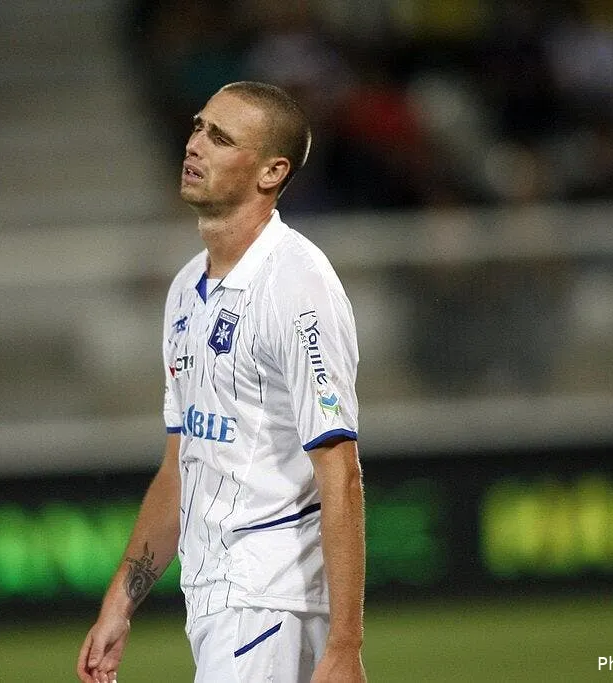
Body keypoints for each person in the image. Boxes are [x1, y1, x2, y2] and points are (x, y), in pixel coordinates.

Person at [76, 81, 366, 683]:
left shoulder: (297, 285)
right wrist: (120, 602)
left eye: (221, 138)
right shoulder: (187, 289)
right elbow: (181, 464)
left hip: (269, 603)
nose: (195, 145)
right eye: (198, 126)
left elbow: (339, 469)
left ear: (271, 172)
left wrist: (344, 645)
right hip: (216, 599)